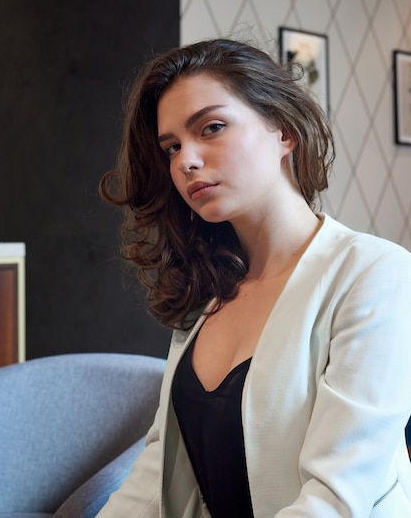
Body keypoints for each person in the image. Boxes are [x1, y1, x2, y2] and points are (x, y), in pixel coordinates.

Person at [97, 38, 411, 517]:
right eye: (173, 146)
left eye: (213, 127)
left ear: (283, 130)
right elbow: (154, 475)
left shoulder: (374, 273)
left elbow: (337, 498)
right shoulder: (207, 293)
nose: (186, 160)